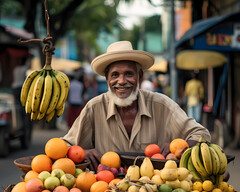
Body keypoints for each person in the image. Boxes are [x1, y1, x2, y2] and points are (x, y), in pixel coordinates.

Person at [62, 41, 211, 171]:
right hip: (105, 190)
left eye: (128, 74)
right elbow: (64, 146)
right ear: (107, 79)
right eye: (115, 75)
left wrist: (178, 146)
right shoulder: (94, 108)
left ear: (139, 77)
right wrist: (81, 152)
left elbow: (201, 134)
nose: (121, 81)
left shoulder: (161, 105)